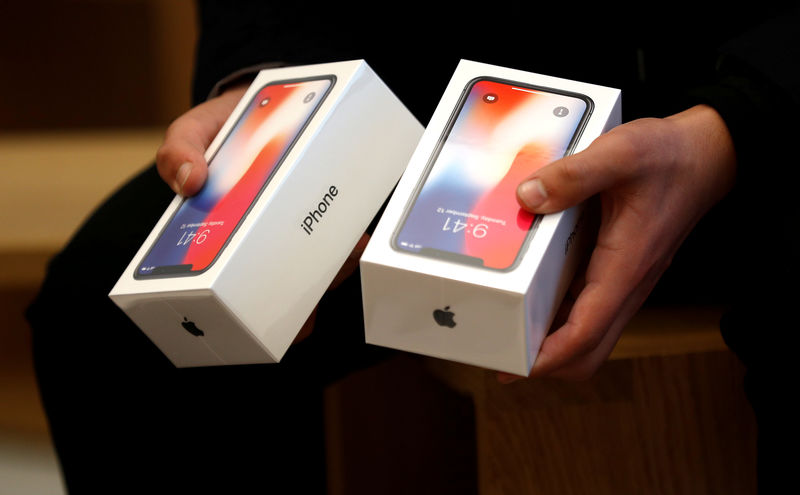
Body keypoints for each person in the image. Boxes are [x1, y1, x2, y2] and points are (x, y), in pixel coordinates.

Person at [26, 3, 798, 492]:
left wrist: (746, 117)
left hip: (745, 92)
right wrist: (272, 81)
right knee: (102, 315)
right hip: (420, 99)